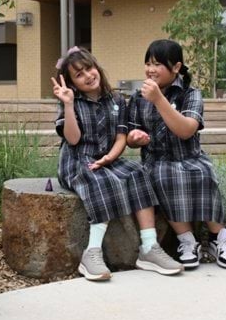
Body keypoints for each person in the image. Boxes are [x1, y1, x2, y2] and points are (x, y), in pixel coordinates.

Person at [51, 47, 183, 281]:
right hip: (78, 162)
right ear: (72, 83)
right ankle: (91, 252)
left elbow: (121, 136)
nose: (88, 75)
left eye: (89, 68)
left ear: (96, 67)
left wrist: (110, 158)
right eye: (79, 75)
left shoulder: (116, 99)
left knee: (138, 174)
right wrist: (69, 105)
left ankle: (149, 248)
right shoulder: (70, 102)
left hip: (107, 157)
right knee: (102, 180)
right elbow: (72, 139)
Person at [127, 39, 226, 270]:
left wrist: (159, 100)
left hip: (191, 157)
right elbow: (130, 134)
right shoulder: (138, 97)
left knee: (204, 173)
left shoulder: (190, 93)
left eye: (157, 64)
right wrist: (135, 138)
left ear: (176, 67)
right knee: (164, 177)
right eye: (148, 63)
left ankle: (220, 239)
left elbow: (187, 130)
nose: (150, 69)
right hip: (157, 160)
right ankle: (187, 241)